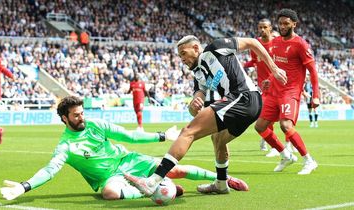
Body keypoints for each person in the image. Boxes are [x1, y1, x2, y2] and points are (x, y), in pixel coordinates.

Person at [0, 96, 249, 201]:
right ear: (64, 119)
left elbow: (129, 135)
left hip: (128, 161)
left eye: (82, 112)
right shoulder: (65, 146)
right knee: (108, 193)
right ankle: (157, 190)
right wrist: (24, 186)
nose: (81, 117)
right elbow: (50, 169)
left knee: (176, 169)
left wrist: (163, 136)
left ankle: (223, 178)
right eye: (76, 115)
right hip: (110, 177)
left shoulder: (96, 124)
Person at [125, 35, 287, 195]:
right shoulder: (198, 74)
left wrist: (274, 68)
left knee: (188, 132)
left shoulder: (216, 47)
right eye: (179, 55)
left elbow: (252, 42)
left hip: (243, 97)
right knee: (218, 139)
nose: (182, 59)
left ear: (196, 48)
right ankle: (221, 184)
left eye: (183, 53)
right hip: (246, 104)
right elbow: (196, 104)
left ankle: (153, 181)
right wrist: (194, 104)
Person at [254, 9, 320, 175]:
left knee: (285, 125)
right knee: (260, 126)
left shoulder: (301, 44)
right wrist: (269, 77)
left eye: (286, 23)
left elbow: (312, 71)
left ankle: (309, 161)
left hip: (290, 92)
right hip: (274, 91)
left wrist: (316, 95)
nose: (282, 26)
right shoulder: (276, 42)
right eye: (280, 23)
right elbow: (277, 67)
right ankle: (285, 155)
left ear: (294, 24)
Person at [244, 19, 295, 157]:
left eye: (264, 27)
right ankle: (272, 144)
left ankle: (288, 143)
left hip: (279, 84)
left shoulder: (277, 42)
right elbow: (254, 61)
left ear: (270, 28)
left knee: (284, 117)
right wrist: (243, 65)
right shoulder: (255, 44)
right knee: (266, 115)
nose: (262, 30)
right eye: (259, 27)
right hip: (264, 85)